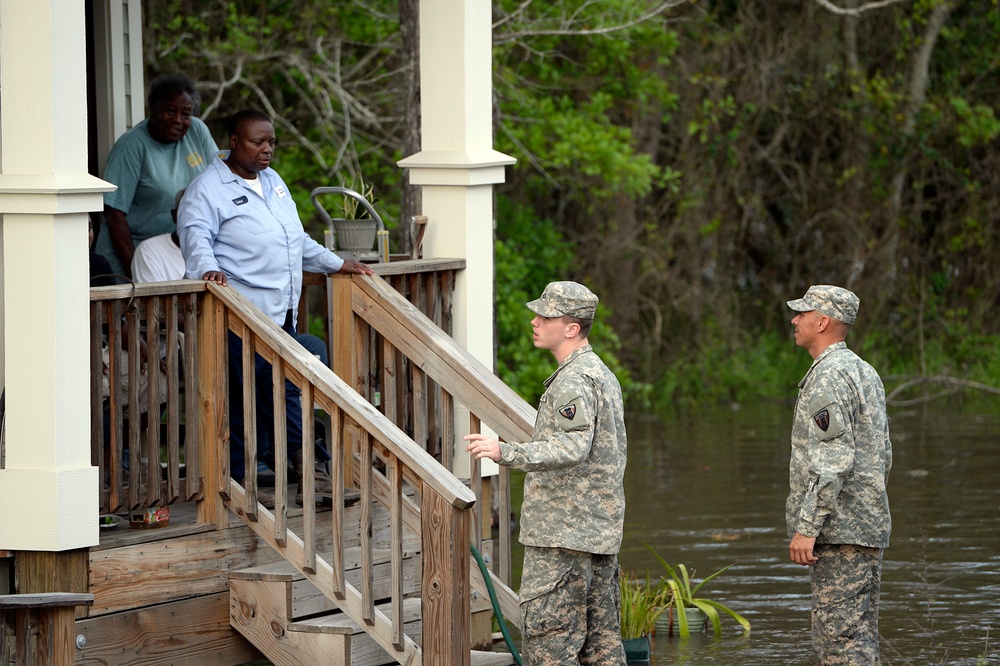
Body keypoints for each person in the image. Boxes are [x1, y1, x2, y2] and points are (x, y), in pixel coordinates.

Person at [178, 109, 373, 507]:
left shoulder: (274, 182)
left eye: (271, 143)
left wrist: (337, 263)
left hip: (281, 314)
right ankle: (294, 475)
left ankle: (300, 473)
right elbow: (195, 236)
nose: (267, 150)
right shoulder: (208, 188)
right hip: (239, 317)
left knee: (280, 389)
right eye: (257, 142)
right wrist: (208, 269)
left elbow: (296, 240)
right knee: (256, 396)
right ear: (234, 141)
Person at [465, 281, 627, 665]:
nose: (534, 321)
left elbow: (572, 447)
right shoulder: (601, 372)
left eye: (546, 316)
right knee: (601, 648)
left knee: (549, 648)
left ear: (572, 328)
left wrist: (503, 451)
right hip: (597, 534)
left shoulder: (573, 379)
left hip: (562, 536)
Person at [786, 285, 892, 665]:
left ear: (823, 321)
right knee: (859, 638)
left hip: (840, 531)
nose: (795, 320)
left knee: (840, 644)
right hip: (865, 528)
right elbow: (883, 454)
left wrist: (808, 526)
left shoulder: (828, 376)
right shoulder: (865, 371)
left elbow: (833, 460)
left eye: (802, 314)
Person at [96, 74, 218, 279]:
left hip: (175, 254)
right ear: (154, 109)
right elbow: (114, 214)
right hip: (132, 256)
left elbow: (218, 183)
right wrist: (136, 272)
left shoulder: (197, 131)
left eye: (185, 113)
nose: (177, 120)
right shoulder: (131, 146)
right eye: (170, 111)